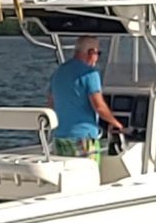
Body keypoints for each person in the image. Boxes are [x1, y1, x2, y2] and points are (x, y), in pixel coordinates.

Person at [47, 36, 124, 164]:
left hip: (60, 138)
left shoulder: (58, 72)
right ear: (91, 52)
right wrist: (116, 124)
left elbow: (51, 103)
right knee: (89, 173)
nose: (97, 58)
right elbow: (99, 107)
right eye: (98, 53)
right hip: (83, 138)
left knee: (68, 174)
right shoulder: (90, 74)